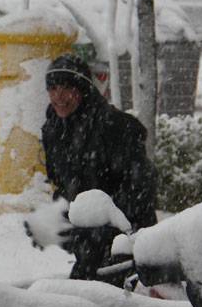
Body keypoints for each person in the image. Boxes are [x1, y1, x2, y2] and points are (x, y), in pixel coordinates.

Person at [40, 52, 157, 283]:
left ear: (82, 89)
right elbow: (62, 182)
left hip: (125, 238)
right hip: (86, 237)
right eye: (52, 89)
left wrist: (107, 224)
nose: (58, 97)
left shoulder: (114, 127)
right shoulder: (54, 130)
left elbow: (140, 185)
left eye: (66, 88)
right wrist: (66, 217)